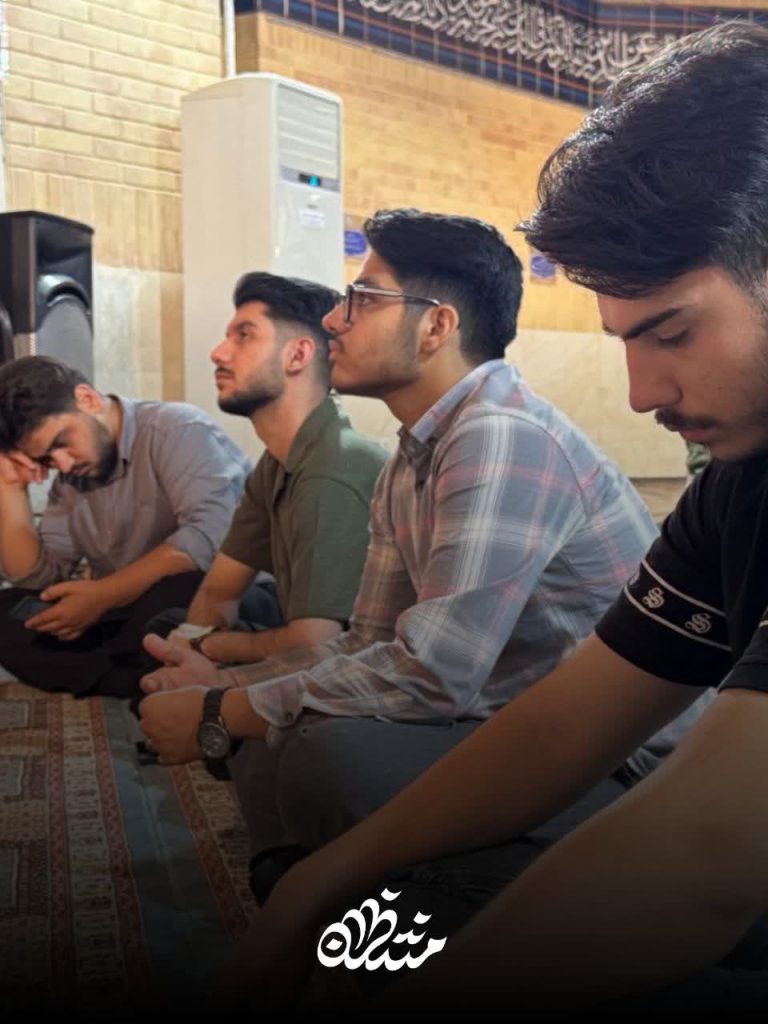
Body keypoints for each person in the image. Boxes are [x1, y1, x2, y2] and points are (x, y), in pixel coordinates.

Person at [203, 23, 768, 1009]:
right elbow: (571, 720)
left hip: (685, 819)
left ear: (438, 326)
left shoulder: (502, 436)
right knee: (347, 841)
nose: (640, 393)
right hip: (656, 801)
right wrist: (319, 884)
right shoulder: (738, 481)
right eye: (625, 342)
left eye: (672, 333)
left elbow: (710, 850)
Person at [139, 208, 698, 906]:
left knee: (324, 751)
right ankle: (325, 876)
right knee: (302, 718)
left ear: (436, 326)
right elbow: (367, 644)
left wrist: (224, 709)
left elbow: (434, 677)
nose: (335, 320)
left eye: (363, 299)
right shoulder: (410, 459)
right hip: (507, 718)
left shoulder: (499, 435)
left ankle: (460, 901)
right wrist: (227, 688)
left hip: (617, 764)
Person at [147, 272, 387, 667]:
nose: (219, 353)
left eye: (244, 336)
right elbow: (219, 592)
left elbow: (313, 646)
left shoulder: (333, 469)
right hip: (307, 645)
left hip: (364, 675)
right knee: (168, 625)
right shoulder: (277, 461)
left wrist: (207, 648)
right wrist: (188, 651)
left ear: (297, 355)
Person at [0, 355, 249, 699]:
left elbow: (209, 538)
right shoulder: (70, 478)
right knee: (10, 609)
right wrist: (9, 485)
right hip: (124, 613)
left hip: (215, 597)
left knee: (176, 594)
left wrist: (102, 596)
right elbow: (40, 579)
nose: (63, 465)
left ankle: (115, 674)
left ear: (87, 399)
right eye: (45, 458)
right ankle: (133, 678)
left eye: (60, 442)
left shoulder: (176, 428)